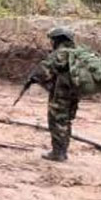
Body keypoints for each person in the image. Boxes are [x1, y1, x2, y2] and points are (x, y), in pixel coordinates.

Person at [32, 27, 81, 162]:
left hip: (61, 93)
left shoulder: (60, 53)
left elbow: (44, 70)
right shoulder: (76, 53)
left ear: (59, 40)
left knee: (56, 121)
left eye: (53, 40)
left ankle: (57, 153)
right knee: (66, 121)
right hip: (74, 93)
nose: (51, 43)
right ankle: (63, 152)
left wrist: (34, 77)